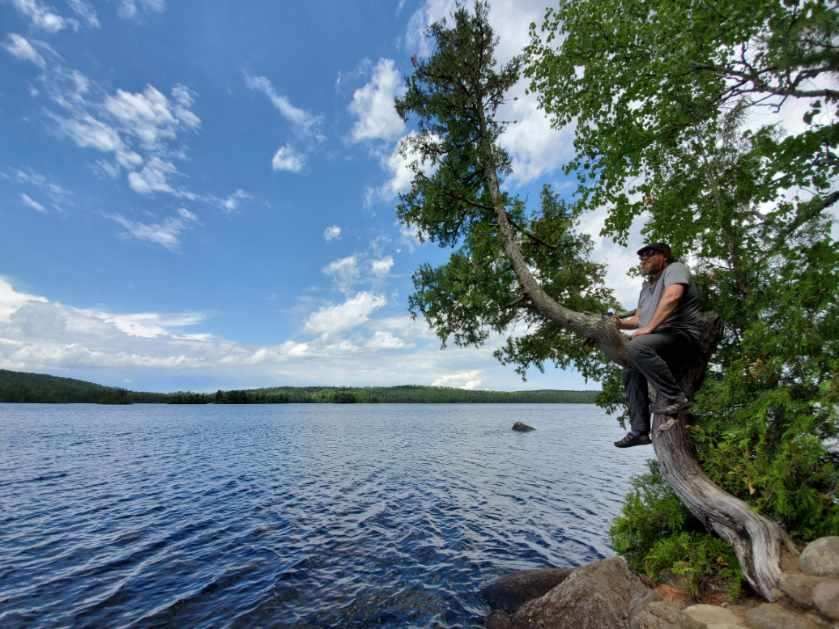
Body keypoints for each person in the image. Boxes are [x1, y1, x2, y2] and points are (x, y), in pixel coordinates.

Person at [613, 243, 705, 448]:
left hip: (682, 337)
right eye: (641, 256)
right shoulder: (645, 288)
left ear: (664, 256)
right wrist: (617, 324)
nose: (643, 258)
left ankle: (677, 400)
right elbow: (638, 319)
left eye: (649, 254)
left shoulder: (674, 269)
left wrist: (650, 327)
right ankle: (639, 431)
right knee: (629, 368)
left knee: (636, 346)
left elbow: (673, 297)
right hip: (659, 341)